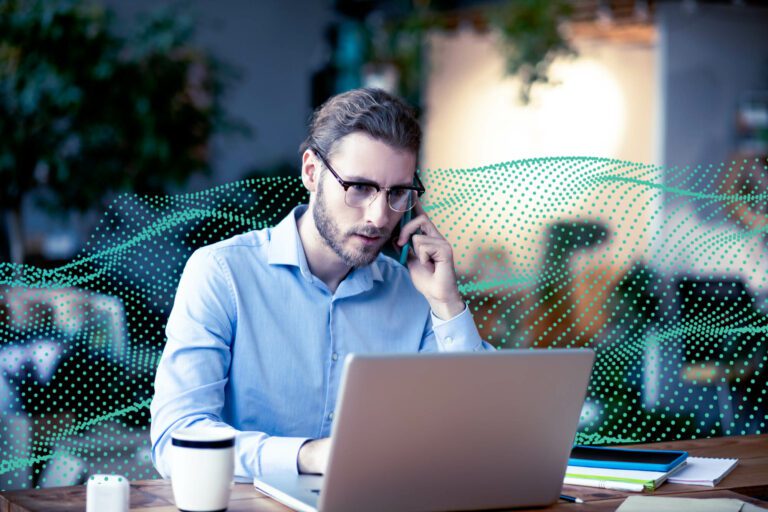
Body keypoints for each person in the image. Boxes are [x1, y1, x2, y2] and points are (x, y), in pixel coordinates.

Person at [150, 88, 495, 481]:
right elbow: (176, 442)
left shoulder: (416, 293)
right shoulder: (222, 273)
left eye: (398, 192)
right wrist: (308, 456)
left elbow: (478, 434)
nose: (379, 217)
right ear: (311, 172)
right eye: (360, 187)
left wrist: (447, 304)